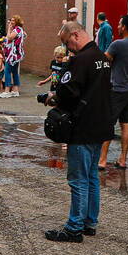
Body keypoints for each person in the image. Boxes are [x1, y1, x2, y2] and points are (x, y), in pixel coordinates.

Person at [44, 21, 111, 243]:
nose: (67, 48)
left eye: (66, 43)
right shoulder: (102, 57)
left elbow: (67, 93)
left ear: (75, 35)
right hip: (99, 125)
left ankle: (74, 228)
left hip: (82, 127)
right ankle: (90, 222)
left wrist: (53, 98)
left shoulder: (80, 61)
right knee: (91, 176)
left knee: (78, 179)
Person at [99, 14, 128, 170]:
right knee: (126, 123)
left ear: (124, 27)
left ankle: (102, 160)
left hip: (118, 89)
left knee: (107, 124)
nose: (117, 26)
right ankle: (123, 159)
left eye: (119, 24)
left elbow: (104, 59)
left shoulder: (118, 44)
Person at [0, 15, 25, 98]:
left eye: (13, 20)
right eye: (11, 20)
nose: (11, 22)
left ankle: (7, 90)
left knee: (7, 71)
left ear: (17, 21)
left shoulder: (17, 29)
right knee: (14, 72)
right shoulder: (20, 30)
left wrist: (9, 28)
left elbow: (9, 38)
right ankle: (15, 90)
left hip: (13, 55)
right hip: (16, 54)